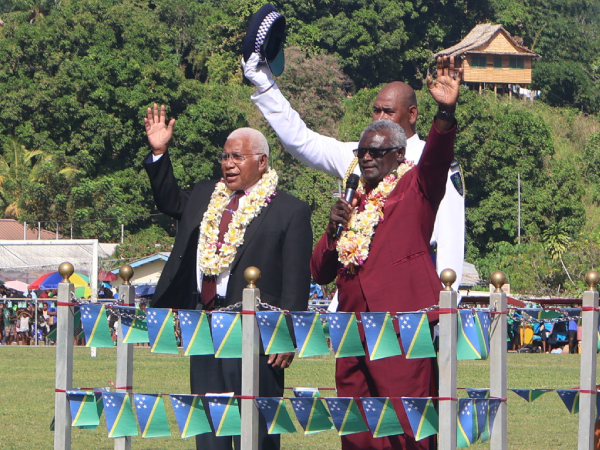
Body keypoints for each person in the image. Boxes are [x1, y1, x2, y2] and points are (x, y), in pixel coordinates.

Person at [310, 56, 461, 450]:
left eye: (377, 153)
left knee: (407, 426)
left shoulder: (416, 187)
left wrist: (445, 111)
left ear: (399, 155)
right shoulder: (351, 202)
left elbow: (437, 159)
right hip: (351, 330)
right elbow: (319, 271)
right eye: (362, 153)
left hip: (399, 328)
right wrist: (332, 229)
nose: (368, 159)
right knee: (357, 431)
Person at [143, 105, 312, 450]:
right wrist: (160, 153)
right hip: (204, 327)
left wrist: (285, 335)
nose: (228, 163)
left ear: (261, 162)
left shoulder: (290, 210)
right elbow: (170, 200)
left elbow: (296, 281)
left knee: (258, 430)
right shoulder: (207, 195)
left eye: (237, 157)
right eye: (224, 157)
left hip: (258, 335)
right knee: (209, 429)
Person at [243, 52, 465, 292]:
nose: (380, 118)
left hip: (407, 292)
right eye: (376, 110)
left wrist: (446, 305)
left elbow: (450, 240)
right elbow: (300, 141)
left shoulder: (431, 159)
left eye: (388, 112)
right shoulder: (357, 156)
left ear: (412, 114)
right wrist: (264, 84)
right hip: (353, 289)